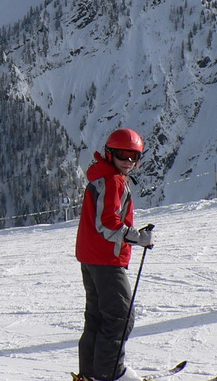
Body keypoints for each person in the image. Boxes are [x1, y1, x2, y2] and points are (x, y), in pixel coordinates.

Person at [75, 127, 155, 381]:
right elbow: (107, 223)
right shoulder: (112, 180)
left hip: (92, 257)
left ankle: (90, 374)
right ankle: (111, 374)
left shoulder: (104, 175)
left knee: (98, 317)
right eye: (123, 154)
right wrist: (137, 237)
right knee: (121, 317)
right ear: (110, 153)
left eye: (134, 156)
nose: (129, 161)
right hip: (106, 259)